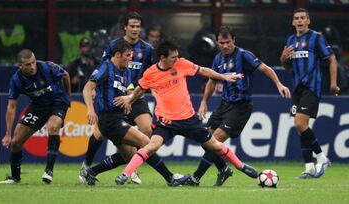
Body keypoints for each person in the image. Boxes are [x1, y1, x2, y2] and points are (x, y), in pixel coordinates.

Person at [114, 40, 258, 186]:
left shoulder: (181, 64)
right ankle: (125, 174)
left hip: (189, 120)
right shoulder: (151, 73)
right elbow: (139, 89)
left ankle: (241, 166)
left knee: (215, 145)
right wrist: (131, 100)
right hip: (166, 122)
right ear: (162, 58)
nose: (176, 59)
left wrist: (223, 77)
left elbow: (203, 70)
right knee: (151, 146)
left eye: (177, 56)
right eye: (173, 57)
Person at [190, 26, 291, 186]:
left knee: (215, 140)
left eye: (228, 42)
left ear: (234, 40)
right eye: (221, 43)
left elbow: (264, 68)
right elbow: (211, 80)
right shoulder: (218, 59)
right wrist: (204, 102)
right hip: (224, 105)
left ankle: (195, 177)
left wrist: (279, 84)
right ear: (217, 42)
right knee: (205, 140)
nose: (224, 46)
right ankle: (223, 169)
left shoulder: (244, 56)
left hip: (240, 107)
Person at [79, 40, 183, 186]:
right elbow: (87, 88)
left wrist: (129, 101)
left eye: (131, 55)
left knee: (130, 155)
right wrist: (90, 109)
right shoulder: (106, 67)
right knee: (146, 143)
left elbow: (128, 89)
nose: (130, 59)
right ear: (117, 54)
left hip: (120, 117)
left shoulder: (126, 71)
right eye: (127, 55)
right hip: (109, 119)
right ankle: (170, 178)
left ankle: (91, 172)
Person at [79, 12, 156, 184]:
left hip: (134, 94)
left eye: (138, 26)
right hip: (114, 94)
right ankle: (86, 165)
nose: (135, 29)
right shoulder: (114, 45)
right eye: (132, 26)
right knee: (98, 134)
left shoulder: (148, 49)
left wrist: (147, 90)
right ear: (125, 27)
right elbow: (103, 68)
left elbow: (152, 72)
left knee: (146, 129)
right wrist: (93, 87)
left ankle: (132, 166)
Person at [280, 8, 340, 179]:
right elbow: (287, 66)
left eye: (302, 18)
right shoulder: (291, 40)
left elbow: (332, 59)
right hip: (297, 88)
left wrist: (333, 83)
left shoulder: (316, 37)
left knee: (300, 124)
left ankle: (322, 158)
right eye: (296, 18)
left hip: (312, 86)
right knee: (300, 128)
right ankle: (309, 168)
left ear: (308, 21)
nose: (299, 21)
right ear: (293, 22)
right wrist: (283, 59)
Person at [0, 49, 71, 184]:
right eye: (28, 65)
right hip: (37, 107)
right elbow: (11, 107)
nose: (32, 67)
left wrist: (68, 98)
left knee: (53, 126)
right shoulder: (17, 79)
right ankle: (15, 178)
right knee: (15, 143)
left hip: (57, 103)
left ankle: (49, 171)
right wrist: (8, 134)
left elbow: (65, 75)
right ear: (20, 66)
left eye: (33, 62)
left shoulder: (47, 67)